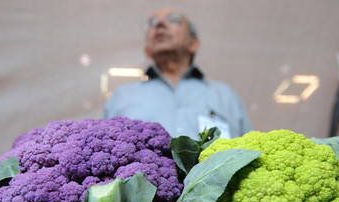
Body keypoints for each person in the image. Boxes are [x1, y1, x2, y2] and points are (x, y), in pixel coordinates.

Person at [103, 8, 252, 139]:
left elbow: (250, 154)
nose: (160, 25)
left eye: (173, 19)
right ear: (147, 50)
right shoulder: (120, 97)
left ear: (193, 43)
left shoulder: (225, 95)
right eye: (152, 23)